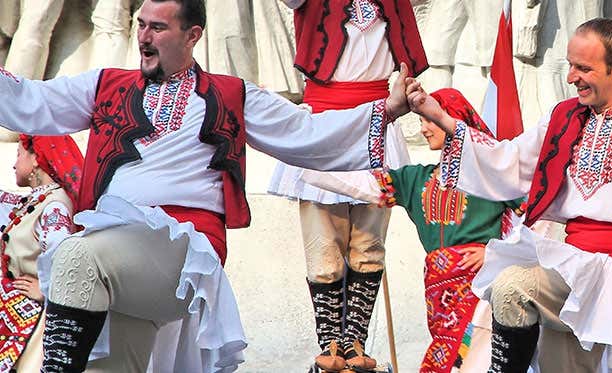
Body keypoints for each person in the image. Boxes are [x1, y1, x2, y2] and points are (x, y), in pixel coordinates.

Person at [0, 0, 415, 371]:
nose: (143, 36)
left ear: (193, 35)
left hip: (183, 249)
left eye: (158, 28)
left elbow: (307, 133)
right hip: (113, 254)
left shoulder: (231, 94)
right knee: (108, 365)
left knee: (74, 255)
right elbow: (29, 102)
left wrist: (388, 109)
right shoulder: (104, 84)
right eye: (142, 24)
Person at [405, 18, 612, 372]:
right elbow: (510, 161)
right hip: (572, 267)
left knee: (513, 285)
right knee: (511, 293)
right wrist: (440, 117)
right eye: (570, 65)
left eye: (583, 68)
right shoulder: (565, 117)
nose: (571, 77)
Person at [304, 88, 520, 373]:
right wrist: (299, 160)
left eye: (429, 120)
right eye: (421, 121)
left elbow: (533, 221)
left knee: (472, 363)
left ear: (452, 120)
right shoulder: (416, 179)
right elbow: (359, 184)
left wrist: (496, 253)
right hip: (439, 294)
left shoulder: (493, 177)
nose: (424, 129)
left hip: (482, 293)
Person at [270, 1, 425, 371]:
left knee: (369, 244)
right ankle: (329, 344)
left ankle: (355, 341)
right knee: (323, 243)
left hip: (378, 119)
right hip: (324, 122)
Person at [0, 135, 82, 372]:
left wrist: (45, 288)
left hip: (34, 323)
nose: (14, 164)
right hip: (18, 316)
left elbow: (67, 258)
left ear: (36, 159)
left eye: (19, 155)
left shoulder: (54, 206)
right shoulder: (38, 201)